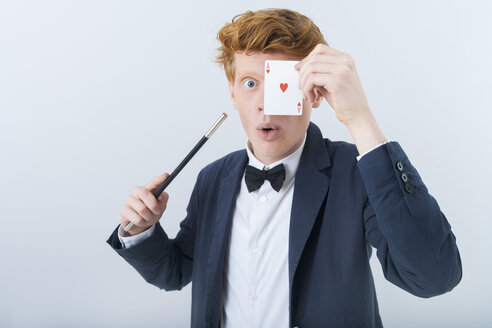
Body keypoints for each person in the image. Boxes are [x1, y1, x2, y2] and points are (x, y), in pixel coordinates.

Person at [106, 8, 462, 328]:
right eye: (249, 84)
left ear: (314, 93)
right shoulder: (212, 178)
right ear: (232, 92)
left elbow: (433, 276)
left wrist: (360, 117)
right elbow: (177, 272)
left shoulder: (355, 171)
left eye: (282, 85)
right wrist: (142, 232)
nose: (264, 105)